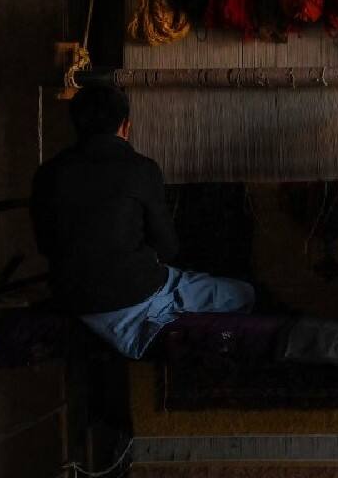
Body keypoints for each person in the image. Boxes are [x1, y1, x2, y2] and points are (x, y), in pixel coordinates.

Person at [31, 85, 254, 359]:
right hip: (134, 293)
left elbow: (45, 244)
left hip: (69, 294)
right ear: (126, 126)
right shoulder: (140, 169)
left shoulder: (47, 173)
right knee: (242, 293)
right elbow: (168, 247)